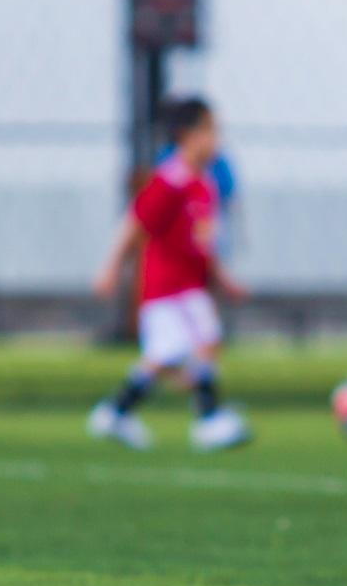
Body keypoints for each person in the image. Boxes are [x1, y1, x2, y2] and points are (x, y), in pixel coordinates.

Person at [87, 97, 250, 452]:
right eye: (208, 130)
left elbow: (203, 244)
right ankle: (207, 420)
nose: (215, 139)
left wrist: (222, 279)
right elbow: (135, 225)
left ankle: (118, 412)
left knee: (181, 352)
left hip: (189, 286)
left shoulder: (204, 184)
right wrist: (111, 268)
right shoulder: (170, 180)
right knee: (182, 351)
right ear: (186, 135)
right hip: (167, 286)